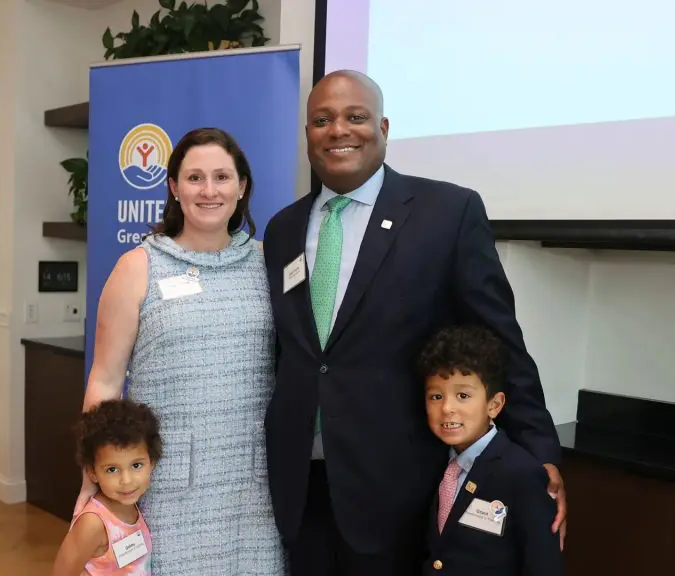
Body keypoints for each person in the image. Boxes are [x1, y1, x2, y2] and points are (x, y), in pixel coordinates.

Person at [261, 69, 566, 575]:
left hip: (398, 488)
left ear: (383, 127)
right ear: (309, 135)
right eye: (322, 120)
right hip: (299, 482)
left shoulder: (446, 212)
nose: (338, 130)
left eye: (355, 117)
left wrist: (539, 450)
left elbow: (497, 340)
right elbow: (287, 354)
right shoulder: (283, 229)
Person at [78, 127, 286, 575]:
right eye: (194, 178)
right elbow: (106, 379)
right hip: (167, 483)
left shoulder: (270, 264)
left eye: (222, 177)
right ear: (173, 187)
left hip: (255, 485)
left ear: (242, 186)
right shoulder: (138, 267)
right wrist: (91, 478)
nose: (209, 190)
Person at [418, 325, 563, 576]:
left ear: (494, 405)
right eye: (435, 396)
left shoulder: (521, 472)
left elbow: (543, 566)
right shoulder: (437, 465)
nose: (447, 408)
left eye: (463, 395)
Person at [53, 399, 162, 576]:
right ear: (92, 472)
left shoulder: (134, 507)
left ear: (152, 462)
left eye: (136, 465)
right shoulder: (93, 523)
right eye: (112, 469)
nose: (126, 480)